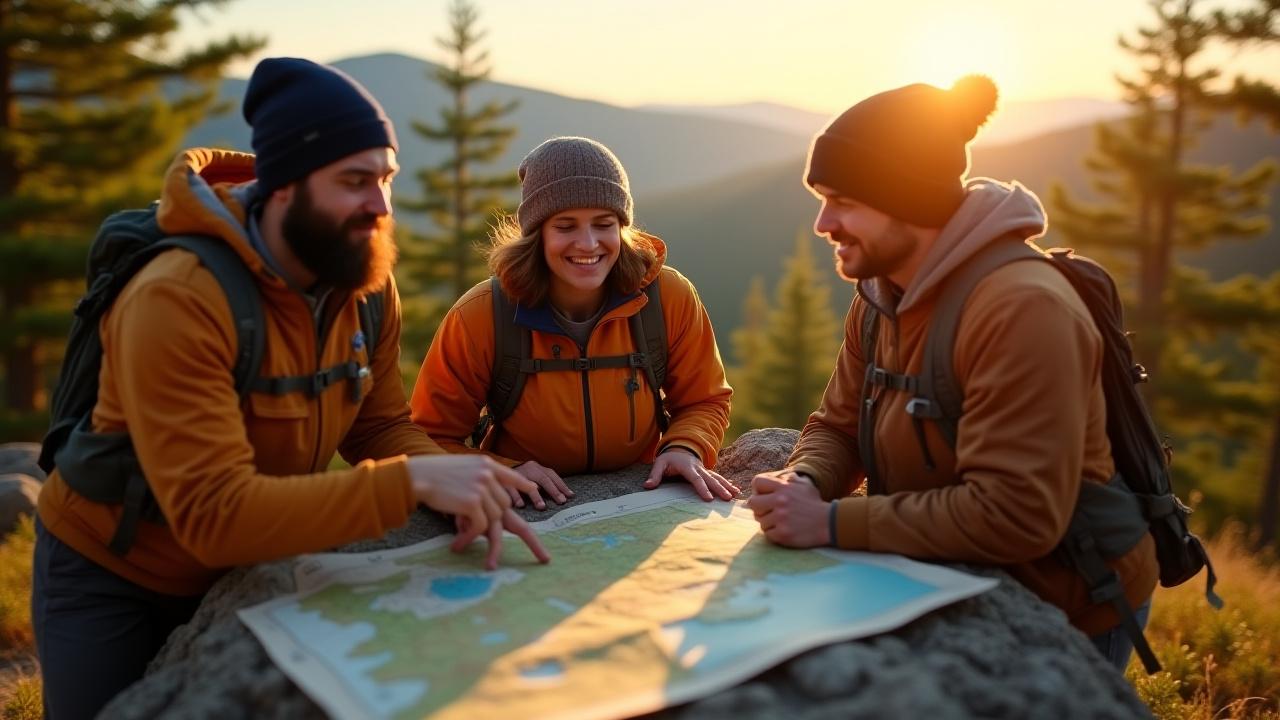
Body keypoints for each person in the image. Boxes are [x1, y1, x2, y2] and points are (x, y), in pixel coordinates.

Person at [32, 57, 548, 719]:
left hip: (248, 567)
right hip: (112, 573)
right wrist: (409, 485)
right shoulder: (179, 297)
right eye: (355, 182)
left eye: (386, 179)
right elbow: (214, 516)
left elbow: (379, 425)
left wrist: (453, 473)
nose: (380, 206)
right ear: (282, 186)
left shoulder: (363, 278)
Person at [745, 76, 1158, 670]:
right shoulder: (881, 296)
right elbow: (837, 427)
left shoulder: (1021, 307)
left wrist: (831, 522)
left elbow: (1017, 515)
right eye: (821, 199)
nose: (823, 223)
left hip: (1068, 602)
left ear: (906, 199)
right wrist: (808, 481)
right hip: (945, 578)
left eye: (845, 200)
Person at [411, 136, 736, 508]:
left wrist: (686, 446)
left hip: (640, 499)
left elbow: (705, 399)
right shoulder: (483, 314)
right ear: (538, 234)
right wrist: (503, 469)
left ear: (622, 228)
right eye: (565, 227)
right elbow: (427, 439)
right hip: (528, 504)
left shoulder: (667, 297)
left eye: (604, 224)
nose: (588, 243)